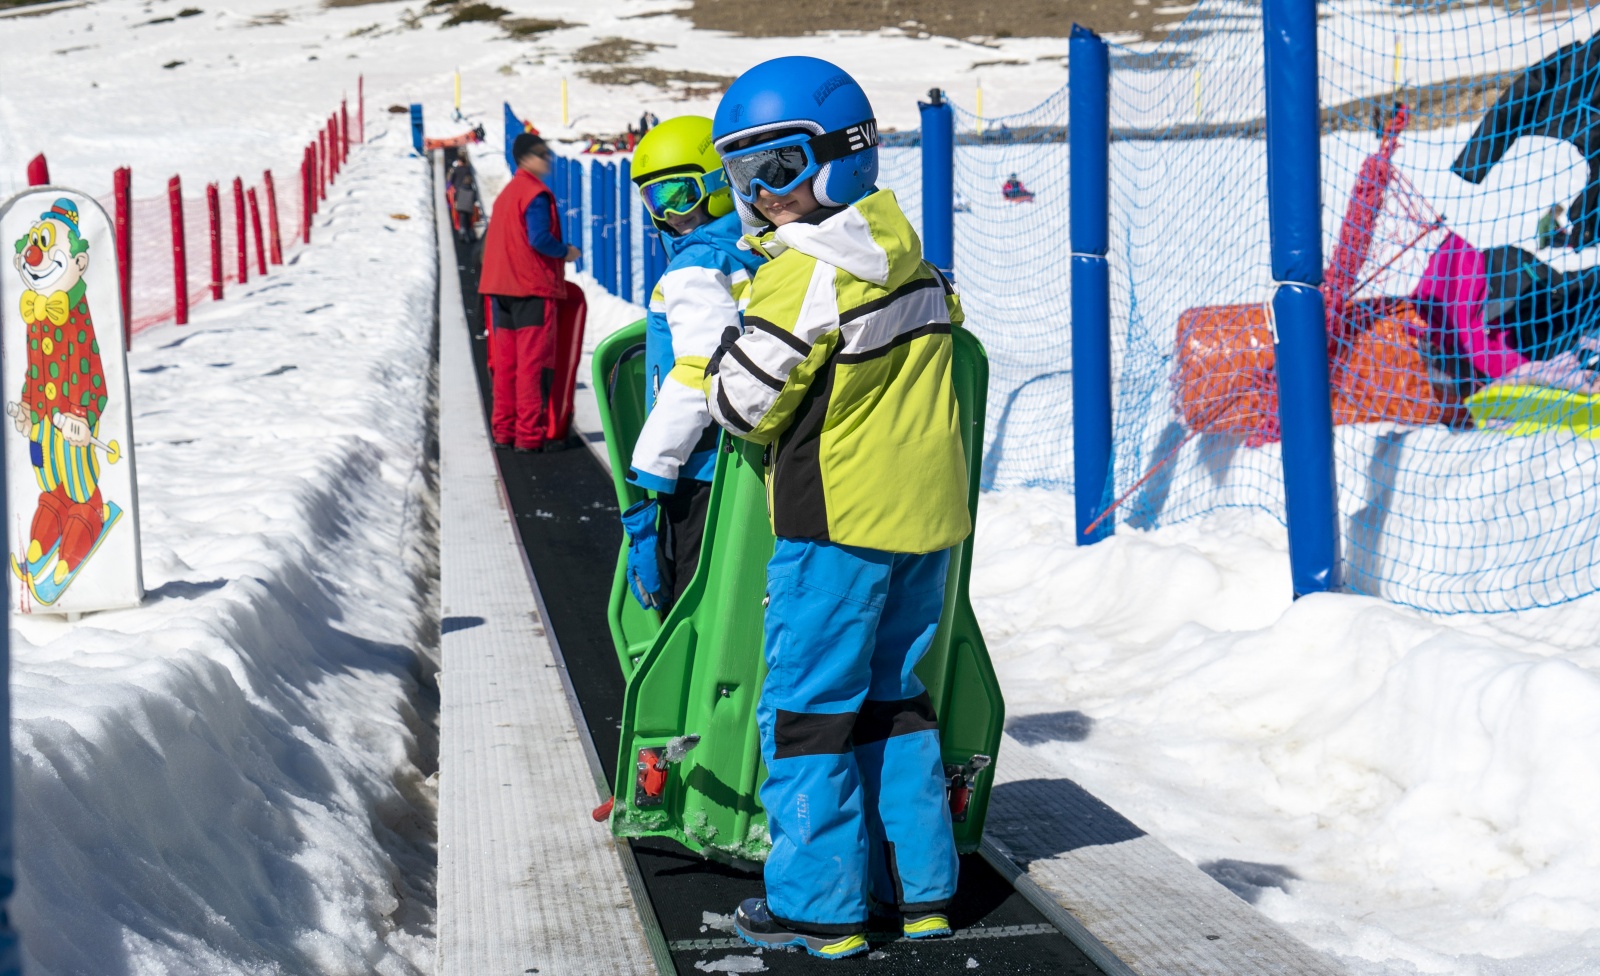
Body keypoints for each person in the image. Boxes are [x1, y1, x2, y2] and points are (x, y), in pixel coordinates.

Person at [705, 56, 969, 960]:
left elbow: (742, 405)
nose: (764, 195)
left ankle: (822, 910)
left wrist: (726, 337)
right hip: (925, 526)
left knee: (812, 712)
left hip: (837, 528)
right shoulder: (917, 260)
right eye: (745, 175)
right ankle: (921, 892)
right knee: (896, 702)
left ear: (841, 155)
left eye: (779, 167)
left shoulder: (802, 277)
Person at [618, 116, 763, 611]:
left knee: (691, 597)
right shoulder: (750, 250)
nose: (670, 213)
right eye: (655, 200)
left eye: (681, 193)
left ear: (719, 182)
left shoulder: (696, 266)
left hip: (698, 463)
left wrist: (652, 473)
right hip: (742, 453)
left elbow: (697, 374)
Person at [478, 132, 582, 451]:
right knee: (531, 366)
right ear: (525, 157)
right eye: (541, 154)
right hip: (531, 288)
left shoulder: (507, 193)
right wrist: (566, 251)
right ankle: (529, 435)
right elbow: (538, 238)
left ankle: (503, 430)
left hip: (500, 288)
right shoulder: (536, 194)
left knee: (505, 363)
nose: (547, 159)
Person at [448, 158, 479, 243]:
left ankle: (462, 234)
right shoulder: (468, 170)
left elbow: (451, 180)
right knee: (469, 220)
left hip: (460, 199)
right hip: (469, 203)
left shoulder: (456, 170)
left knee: (462, 219)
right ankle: (470, 234)